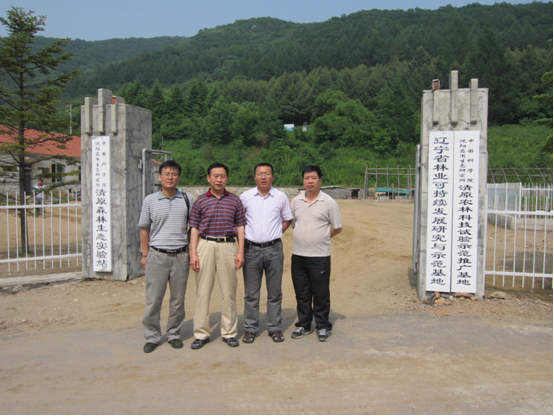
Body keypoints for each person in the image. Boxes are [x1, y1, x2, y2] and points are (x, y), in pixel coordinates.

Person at [138, 160, 194, 353]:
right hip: (157, 255)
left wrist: (190, 250)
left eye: (174, 174)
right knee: (154, 299)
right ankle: (152, 336)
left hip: (180, 256)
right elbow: (144, 229)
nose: (170, 177)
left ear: (179, 177)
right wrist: (145, 254)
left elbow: (193, 227)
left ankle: (174, 334)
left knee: (178, 300)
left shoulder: (186, 199)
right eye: (167, 174)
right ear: (160, 177)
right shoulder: (150, 200)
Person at [189, 162, 246, 349]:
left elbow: (240, 227)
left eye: (222, 176)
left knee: (228, 292)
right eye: (215, 176)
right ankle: (201, 333)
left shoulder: (235, 200)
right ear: (208, 178)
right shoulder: (200, 201)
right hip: (205, 245)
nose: (219, 179)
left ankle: (229, 332)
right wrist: (193, 253)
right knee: (203, 291)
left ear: (227, 179)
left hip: (227, 245)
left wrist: (240, 251)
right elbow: (194, 228)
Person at [240, 163, 293, 344]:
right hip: (251, 250)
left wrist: (276, 233)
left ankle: (275, 327)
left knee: (275, 292)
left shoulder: (281, 197)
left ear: (273, 176)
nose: (263, 177)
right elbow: (239, 222)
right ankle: (250, 328)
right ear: (254, 177)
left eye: (267, 173)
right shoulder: (246, 197)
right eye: (260, 174)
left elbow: (287, 219)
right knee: (251, 293)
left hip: (274, 249)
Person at [290, 165, 342, 342]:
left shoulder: (328, 202)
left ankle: (322, 326)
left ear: (320, 180)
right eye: (306, 178)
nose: (310, 181)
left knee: (320, 293)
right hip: (298, 255)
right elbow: (295, 224)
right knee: (302, 293)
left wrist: (321, 237)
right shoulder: (296, 201)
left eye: (313, 178)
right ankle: (304, 325)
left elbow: (337, 228)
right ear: (303, 181)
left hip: (319, 256)